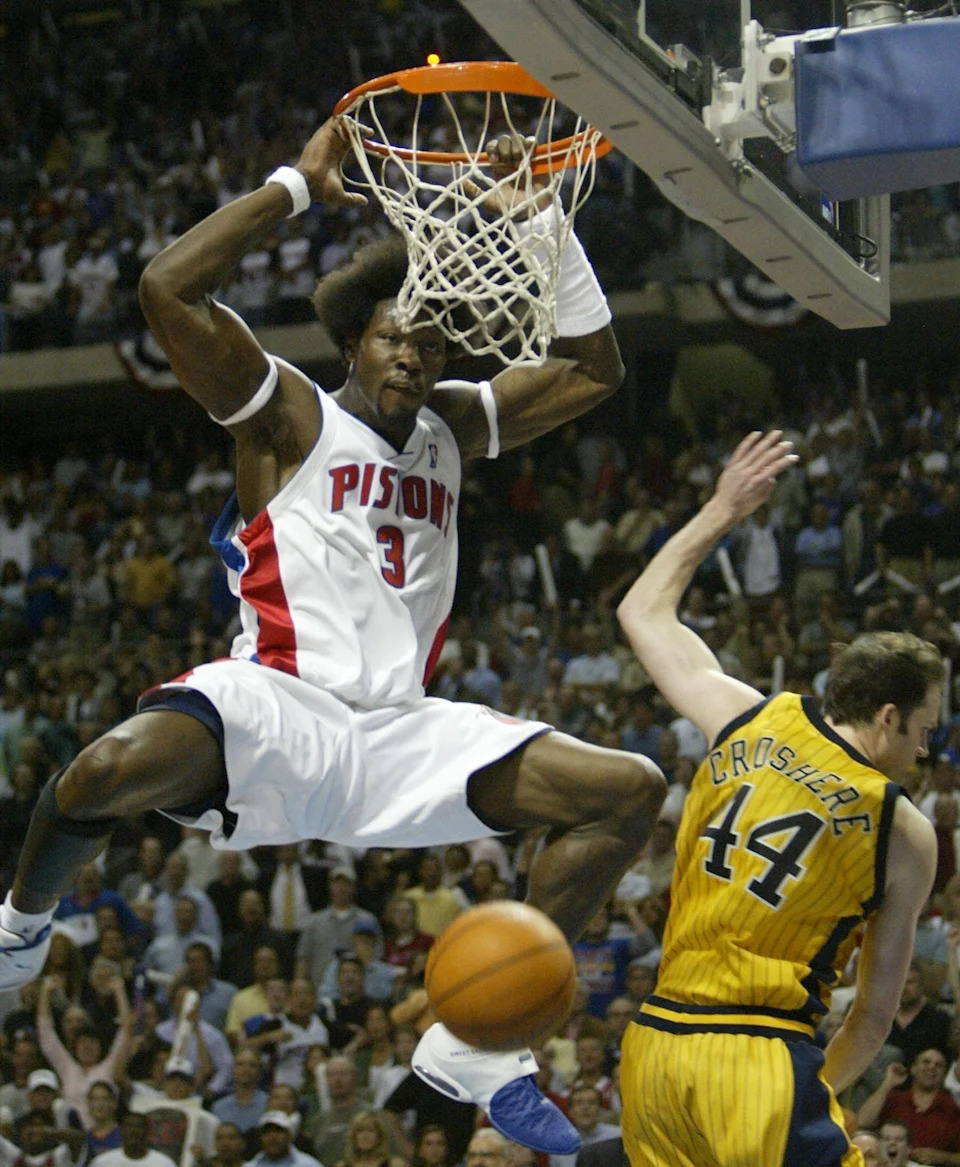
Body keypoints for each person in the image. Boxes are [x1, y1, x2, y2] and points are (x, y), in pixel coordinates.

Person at [0, 118, 665, 1155]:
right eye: (394, 336)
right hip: (280, 706)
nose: (414, 353)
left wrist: (543, 221)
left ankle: (480, 1052)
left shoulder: (452, 428)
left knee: (627, 789)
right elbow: (168, 291)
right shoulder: (289, 416)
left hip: (402, 734)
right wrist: (294, 191)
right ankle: (19, 933)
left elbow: (593, 371)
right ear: (353, 339)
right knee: (98, 774)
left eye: (431, 339)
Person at [615, 430, 942, 1165]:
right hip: (759, 1053)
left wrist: (723, 508)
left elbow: (641, 612)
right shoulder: (902, 824)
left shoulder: (743, 712)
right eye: (924, 729)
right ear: (888, 717)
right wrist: (803, 1091)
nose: (925, 749)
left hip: (655, 1050)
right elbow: (876, 1011)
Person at [89, 1112, 178, 1167]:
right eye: (128, 1126)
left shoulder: (164, 1164)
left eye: (138, 1126)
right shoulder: (102, 1163)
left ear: (147, 1131)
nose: (133, 1131)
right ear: (121, 1131)